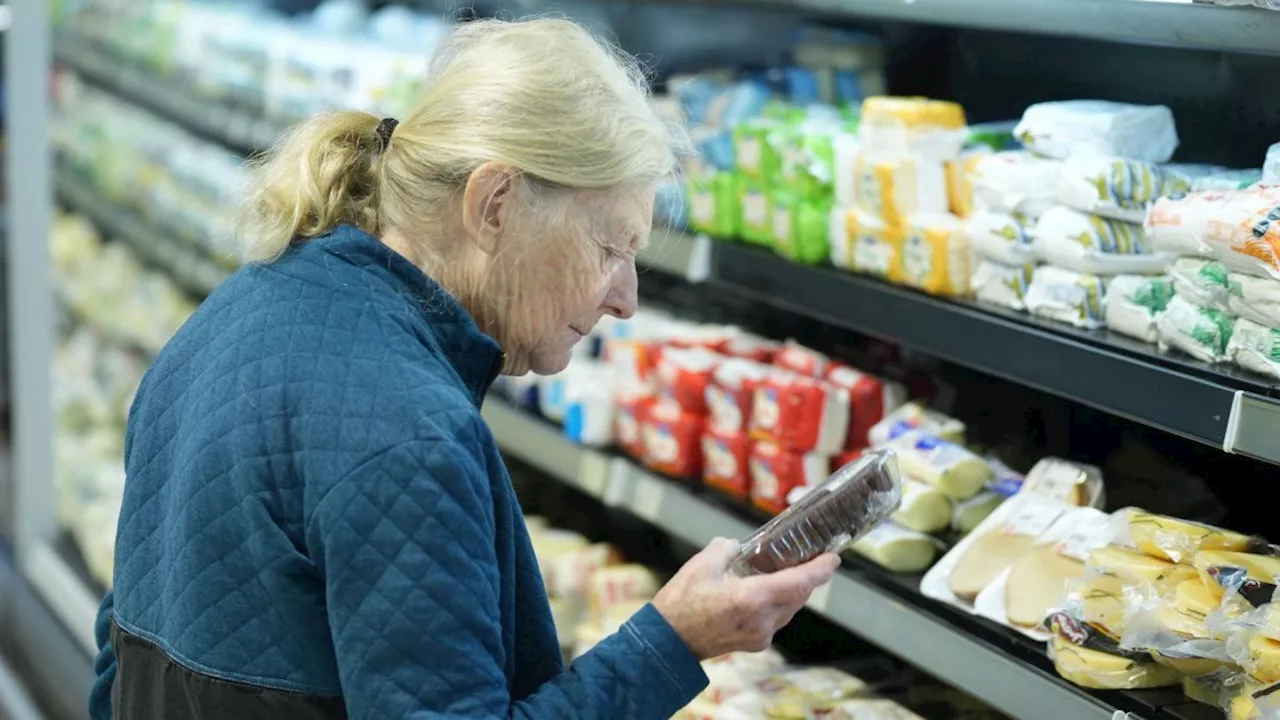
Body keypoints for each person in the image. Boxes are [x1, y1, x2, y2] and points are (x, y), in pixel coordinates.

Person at [89, 17, 839, 720]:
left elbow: (120, 643)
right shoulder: (408, 434)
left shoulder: (232, 311)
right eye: (611, 248)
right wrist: (671, 641)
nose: (627, 298)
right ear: (495, 204)